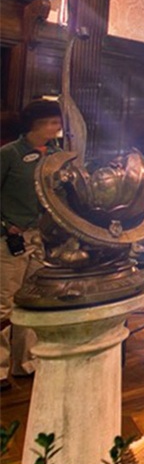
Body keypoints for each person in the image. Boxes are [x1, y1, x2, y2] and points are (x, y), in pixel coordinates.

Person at [1, 99, 63, 389]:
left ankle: (25, 362)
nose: (56, 127)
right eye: (51, 122)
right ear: (34, 125)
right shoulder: (9, 154)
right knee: (4, 304)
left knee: (32, 302)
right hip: (9, 239)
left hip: (40, 239)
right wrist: (5, 226)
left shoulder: (56, 156)